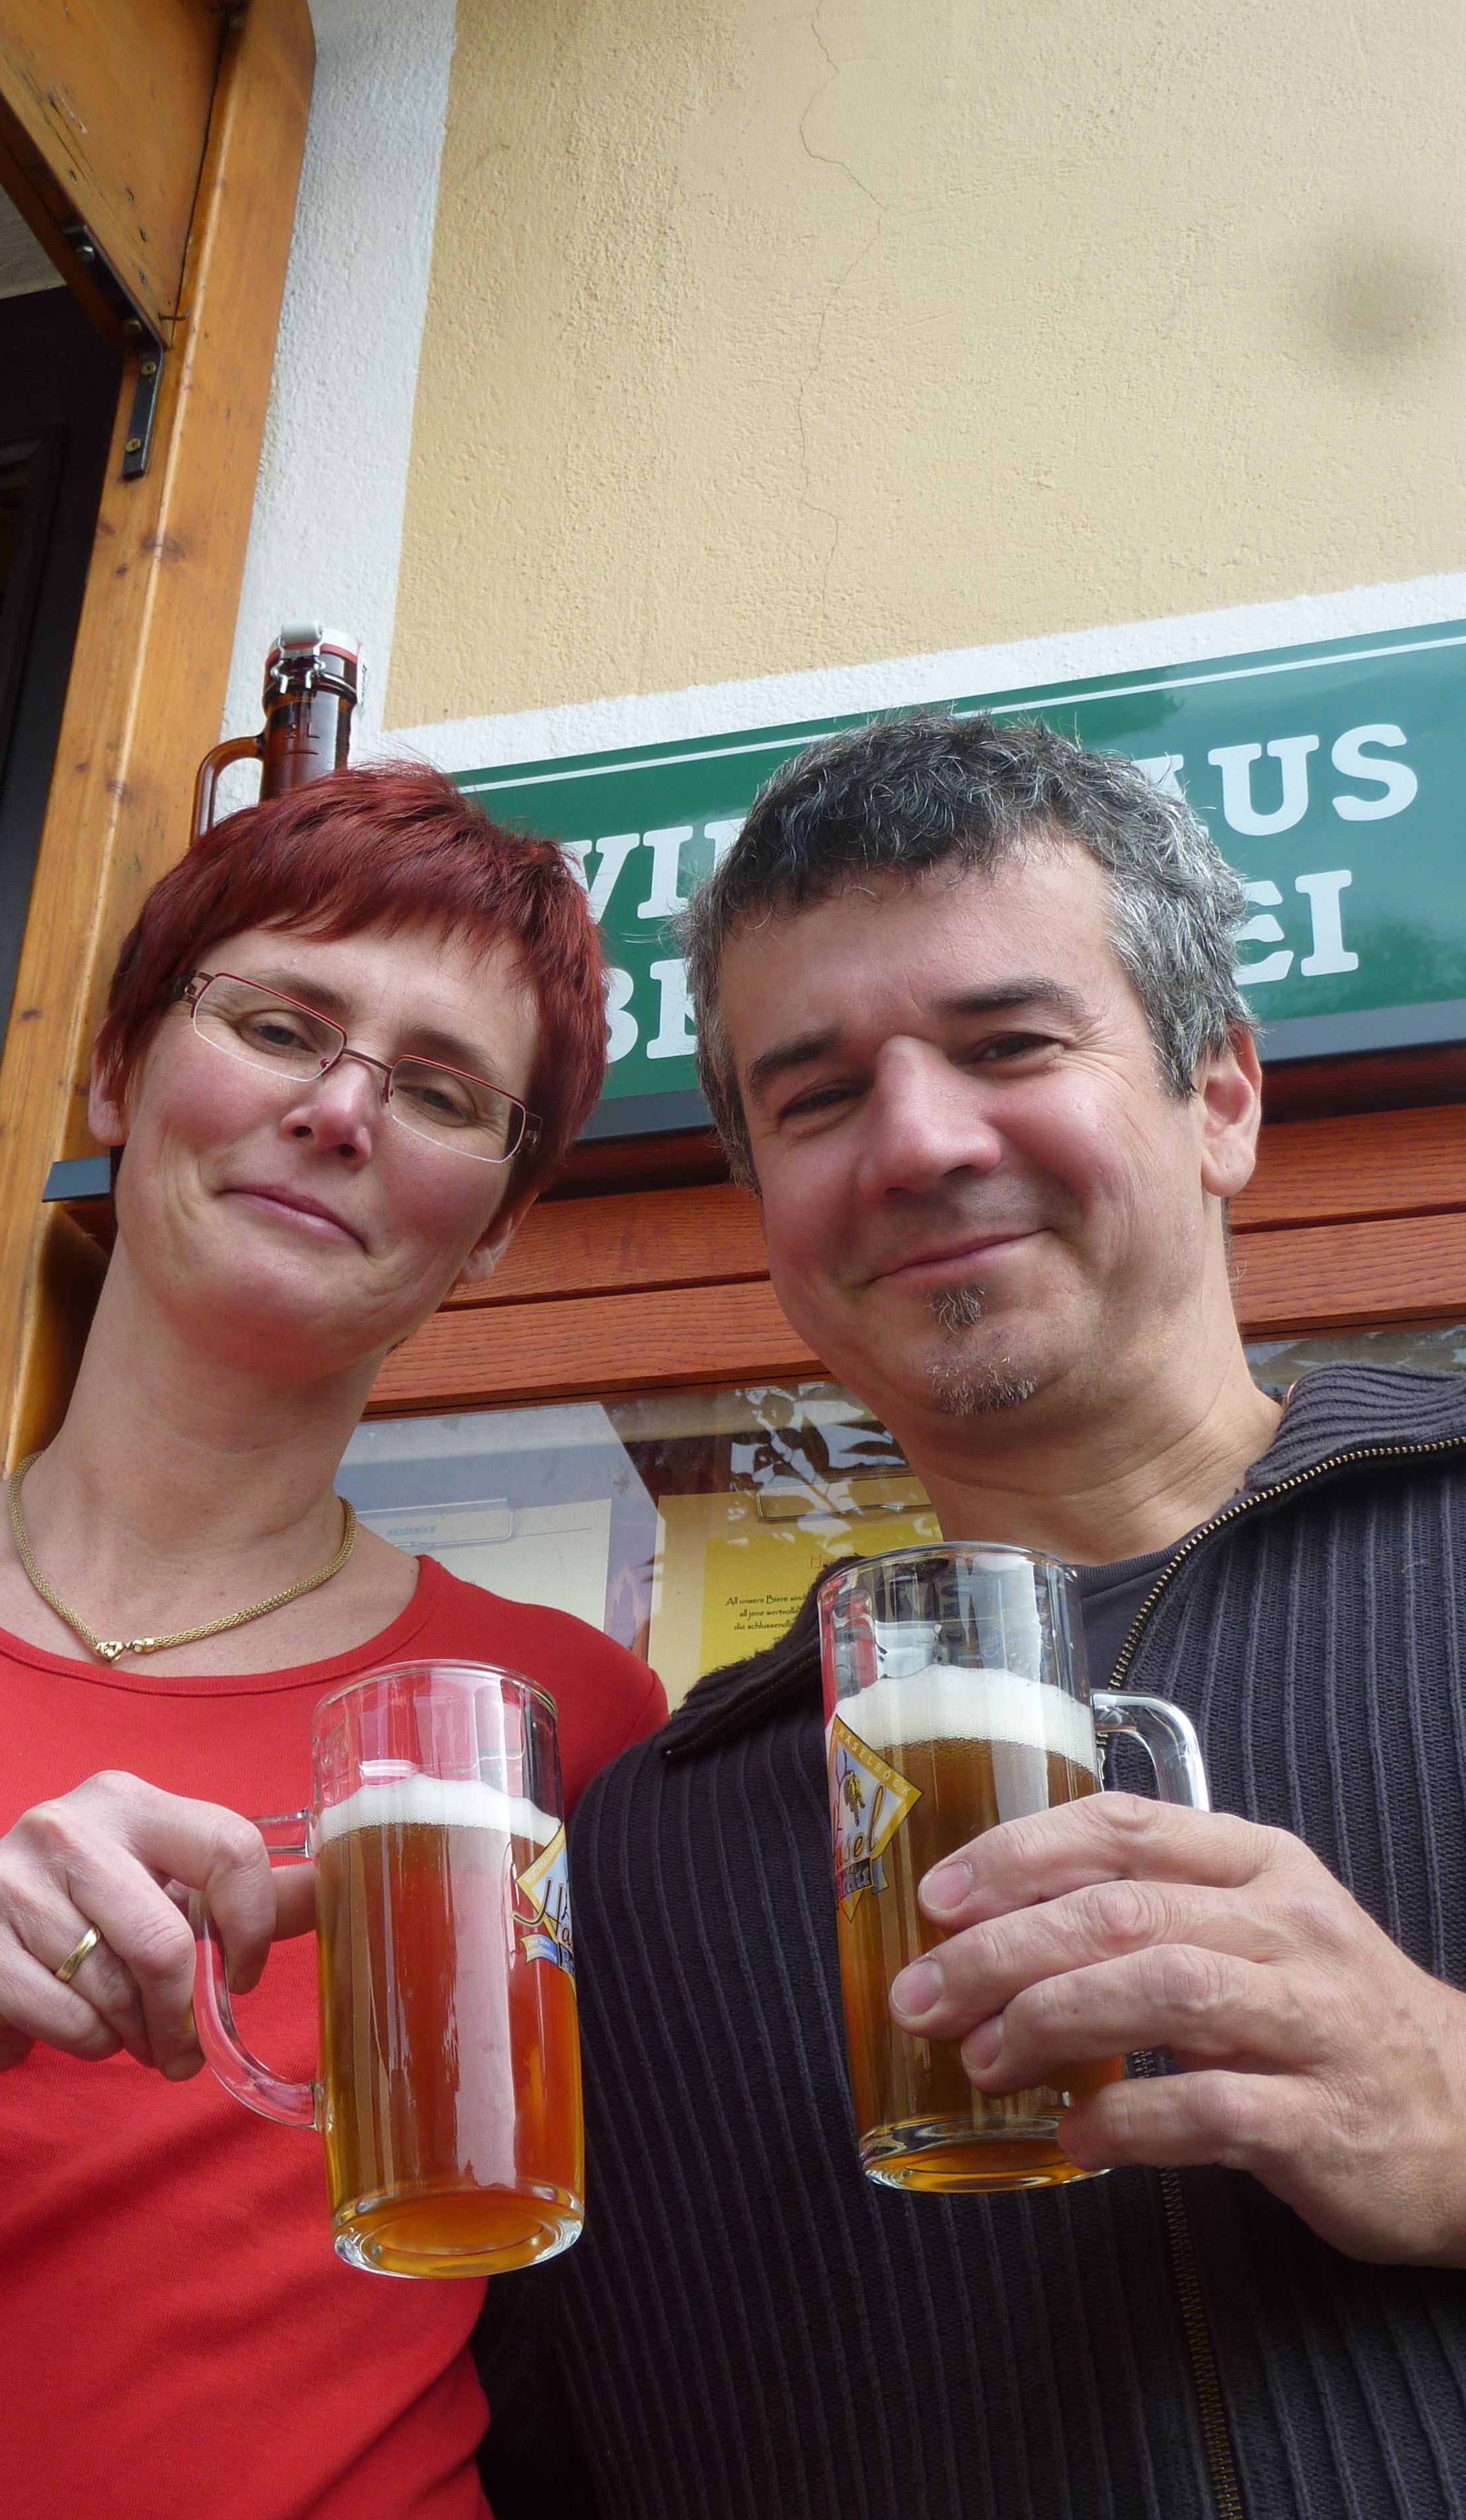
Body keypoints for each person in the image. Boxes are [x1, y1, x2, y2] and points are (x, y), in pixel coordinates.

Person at [474, 713, 1466, 2520]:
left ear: (1221, 1098)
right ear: (767, 1205)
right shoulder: (635, 1855)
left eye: (1010, 1044)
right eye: (817, 1097)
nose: (919, 1143)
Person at [0, 765, 665, 2518]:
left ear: (495, 1230)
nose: (339, 1112)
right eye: (278, 1026)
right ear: (118, 1071)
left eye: (440, 1092)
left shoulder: (572, 1711)